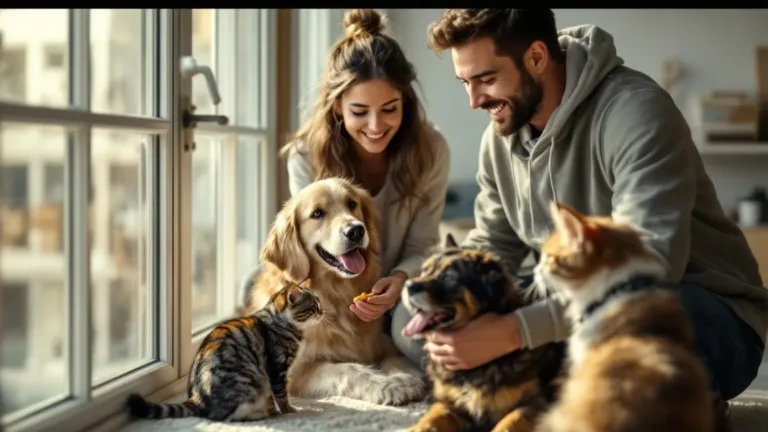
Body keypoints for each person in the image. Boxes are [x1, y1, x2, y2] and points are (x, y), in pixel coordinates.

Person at [391, 8, 768, 429]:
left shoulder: (635, 111)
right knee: (410, 317)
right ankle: (559, 391)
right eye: (466, 82)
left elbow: (651, 267)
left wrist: (514, 332)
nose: (474, 101)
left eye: (486, 79)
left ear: (536, 58)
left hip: (693, 305)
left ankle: (671, 399)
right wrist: (462, 317)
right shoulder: (499, 136)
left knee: (636, 319)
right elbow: (492, 249)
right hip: (570, 301)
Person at [280, 9, 450, 346]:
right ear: (337, 107)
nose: (375, 126)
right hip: (333, 289)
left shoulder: (431, 150)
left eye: (390, 109)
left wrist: (399, 279)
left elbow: (422, 245)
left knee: (415, 340)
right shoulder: (305, 155)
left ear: (406, 101)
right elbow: (307, 248)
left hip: (401, 286)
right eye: (359, 112)